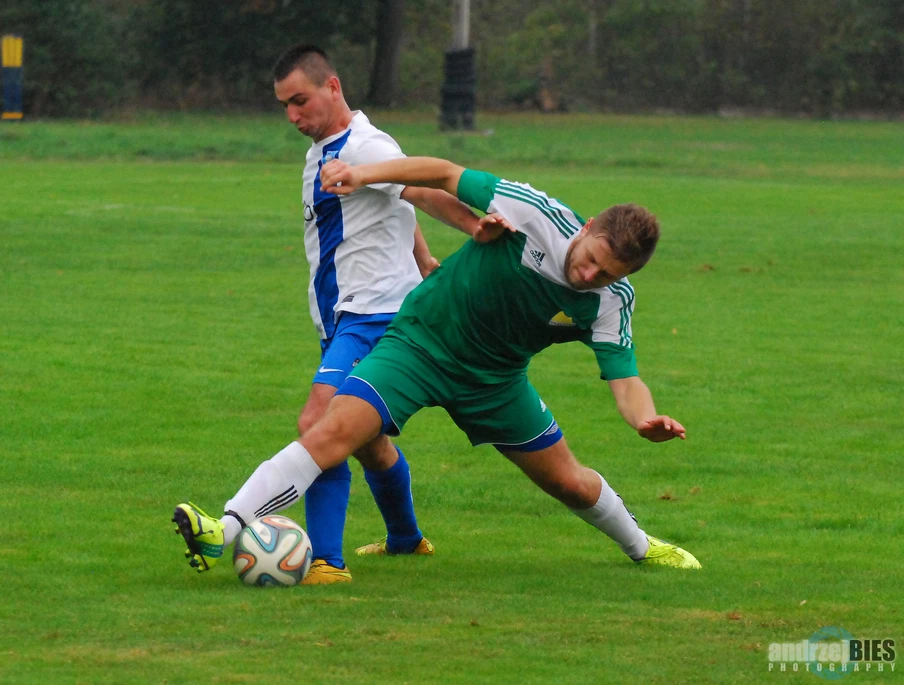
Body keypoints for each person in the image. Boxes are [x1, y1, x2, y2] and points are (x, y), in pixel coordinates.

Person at [173, 153, 702, 577]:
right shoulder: (535, 211)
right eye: (591, 259)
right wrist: (362, 174)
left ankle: (642, 546)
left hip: (495, 382)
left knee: (570, 483)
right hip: (420, 345)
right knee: (331, 431)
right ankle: (224, 528)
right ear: (585, 228)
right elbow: (445, 173)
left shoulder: (611, 302)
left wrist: (644, 419)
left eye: (607, 274)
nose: (589, 276)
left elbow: (625, 379)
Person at [172, 46, 510, 585]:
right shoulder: (323, 150)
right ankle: (406, 539)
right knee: (366, 442)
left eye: (300, 101)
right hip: (340, 318)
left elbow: (419, 188)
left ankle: (320, 559)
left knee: (319, 423)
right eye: (284, 105)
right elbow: (393, 201)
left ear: (332, 87)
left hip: (372, 314)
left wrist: (473, 227)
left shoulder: (365, 144)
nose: (292, 115)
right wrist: (423, 257)